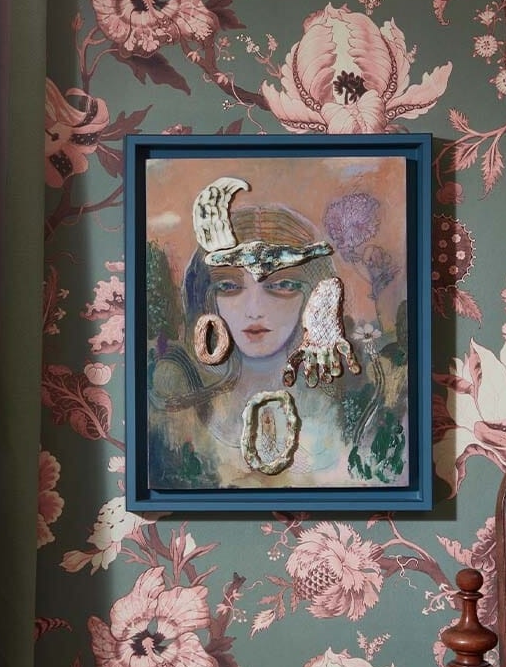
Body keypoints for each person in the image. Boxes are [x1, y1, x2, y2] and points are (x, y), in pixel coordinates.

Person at [148, 204, 403, 490]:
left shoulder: (363, 398)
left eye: (283, 285)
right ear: (207, 297)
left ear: (315, 295)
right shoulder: (175, 405)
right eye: (229, 287)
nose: (255, 310)